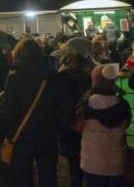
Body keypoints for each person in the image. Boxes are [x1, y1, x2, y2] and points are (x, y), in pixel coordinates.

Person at [1, 39, 75, 187]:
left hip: (23, 137)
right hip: (48, 135)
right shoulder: (54, 77)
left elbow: (9, 111)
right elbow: (64, 109)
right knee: (48, 177)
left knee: (23, 177)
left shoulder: (14, 78)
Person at [79, 64, 130, 187]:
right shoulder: (123, 104)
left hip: (92, 162)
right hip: (117, 163)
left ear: (95, 80)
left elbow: (77, 126)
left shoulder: (86, 104)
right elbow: (127, 124)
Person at [57, 37, 96, 187]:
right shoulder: (96, 70)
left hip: (72, 122)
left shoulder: (64, 74)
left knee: (75, 164)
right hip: (90, 123)